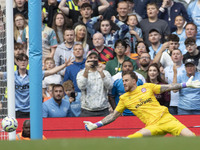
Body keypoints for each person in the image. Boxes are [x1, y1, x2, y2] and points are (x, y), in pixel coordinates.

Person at [84, 70, 200, 138]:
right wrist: (96, 125)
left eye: (126, 80)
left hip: (168, 119)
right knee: (132, 138)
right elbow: (113, 116)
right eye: (122, 81)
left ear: (134, 81)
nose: (123, 83)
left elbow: (168, 87)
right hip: (153, 126)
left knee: (193, 139)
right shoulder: (124, 98)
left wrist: (185, 85)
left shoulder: (147, 87)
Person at [0, 53, 73, 118]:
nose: (23, 62)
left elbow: (50, 72)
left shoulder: (33, 74)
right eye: (20, 60)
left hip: (31, 109)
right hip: (16, 109)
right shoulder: (11, 75)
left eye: (25, 60)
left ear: (27, 62)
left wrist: (64, 65)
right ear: (17, 62)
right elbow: (1, 74)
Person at [76, 51, 113, 117]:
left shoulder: (105, 73)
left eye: (95, 57)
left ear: (98, 60)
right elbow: (81, 86)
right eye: (90, 57)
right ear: (87, 60)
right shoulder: (81, 73)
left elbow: (109, 86)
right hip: (87, 110)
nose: (93, 59)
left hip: (103, 110)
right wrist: (86, 70)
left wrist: (101, 73)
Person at [164, 49, 185, 115]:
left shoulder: (186, 68)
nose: (176, 56)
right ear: (171, 57)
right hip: (172, 101)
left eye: (178, 54)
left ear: (182, 57)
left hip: (184, 102)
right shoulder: (166, 69)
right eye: (174, 54)